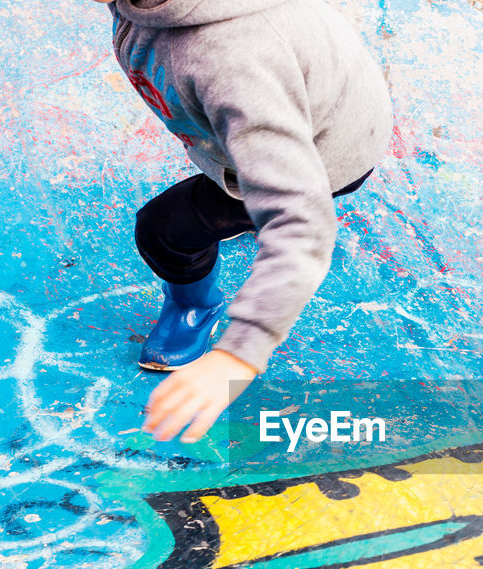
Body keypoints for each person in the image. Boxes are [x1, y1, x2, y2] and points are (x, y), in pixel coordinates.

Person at [97, 0, 393, 443]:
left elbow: (302, 221)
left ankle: (195, 306)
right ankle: (257, 188)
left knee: (165, 233)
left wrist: (238, 356)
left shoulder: (230, 58)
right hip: (305, 109)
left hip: (323, 157)